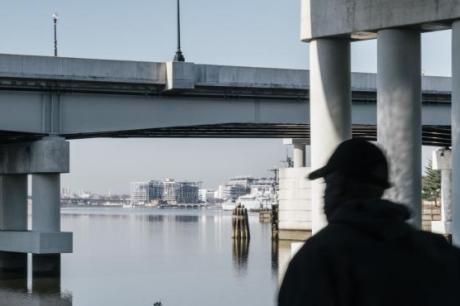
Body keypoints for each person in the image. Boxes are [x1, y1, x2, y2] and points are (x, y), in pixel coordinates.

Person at [278, 138, 460, 306]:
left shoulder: (319, 257)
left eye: (327, 185)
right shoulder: (435, 250)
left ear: (339, 186)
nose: (324, 195)